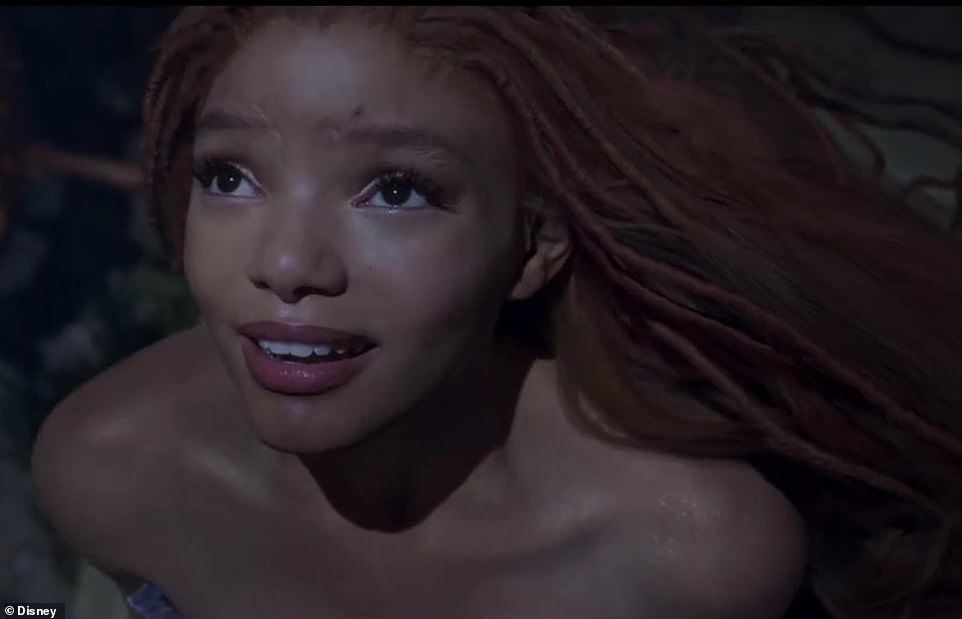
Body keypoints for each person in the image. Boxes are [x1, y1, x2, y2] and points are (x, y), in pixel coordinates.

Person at [30, 6, 962, 619]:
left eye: (398, 189)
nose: (284, 263)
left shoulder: (688, 550)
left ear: (536, 242)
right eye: (230, 176)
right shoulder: (107, 471)